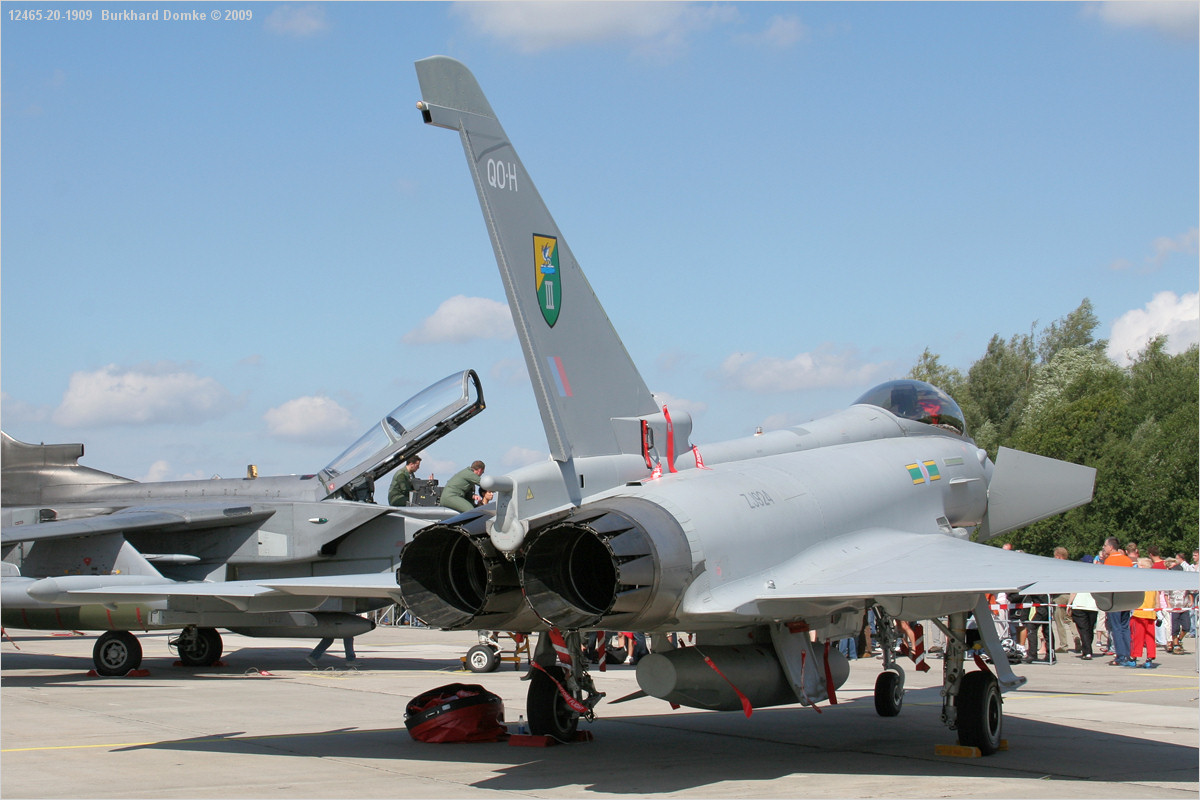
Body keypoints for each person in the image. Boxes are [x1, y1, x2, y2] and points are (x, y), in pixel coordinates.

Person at [1101, 537, 1134, 666]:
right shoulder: (1127, 560)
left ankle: (1120, 656)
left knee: (1116, 627)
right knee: (1125, 627)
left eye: (1105, 545)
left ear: (1110, 547)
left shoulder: (1109, 561)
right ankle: (1128, 653)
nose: (1104, 548)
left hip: (1115, 598)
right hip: (1126, 597)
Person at [1127, 566, 1159, 669]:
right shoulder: (1154, 585)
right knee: (1150, 637)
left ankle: (1133, 658)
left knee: (1136, 637)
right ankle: (1150, 658)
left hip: (1139, 614)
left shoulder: (1138, 583)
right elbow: (1157, 600)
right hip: (1151, 613)